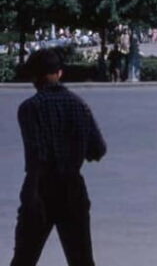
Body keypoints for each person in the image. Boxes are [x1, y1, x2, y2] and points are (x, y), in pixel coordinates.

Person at [10, 48, 107, 266]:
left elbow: (36, 155)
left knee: (24, 259)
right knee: (81, 260)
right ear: (59, 73)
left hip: (40, 188)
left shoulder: (29, 108)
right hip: (72, 188)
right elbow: (98, 150)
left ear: (35, 77)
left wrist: (31, 196)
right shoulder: (79, 105)